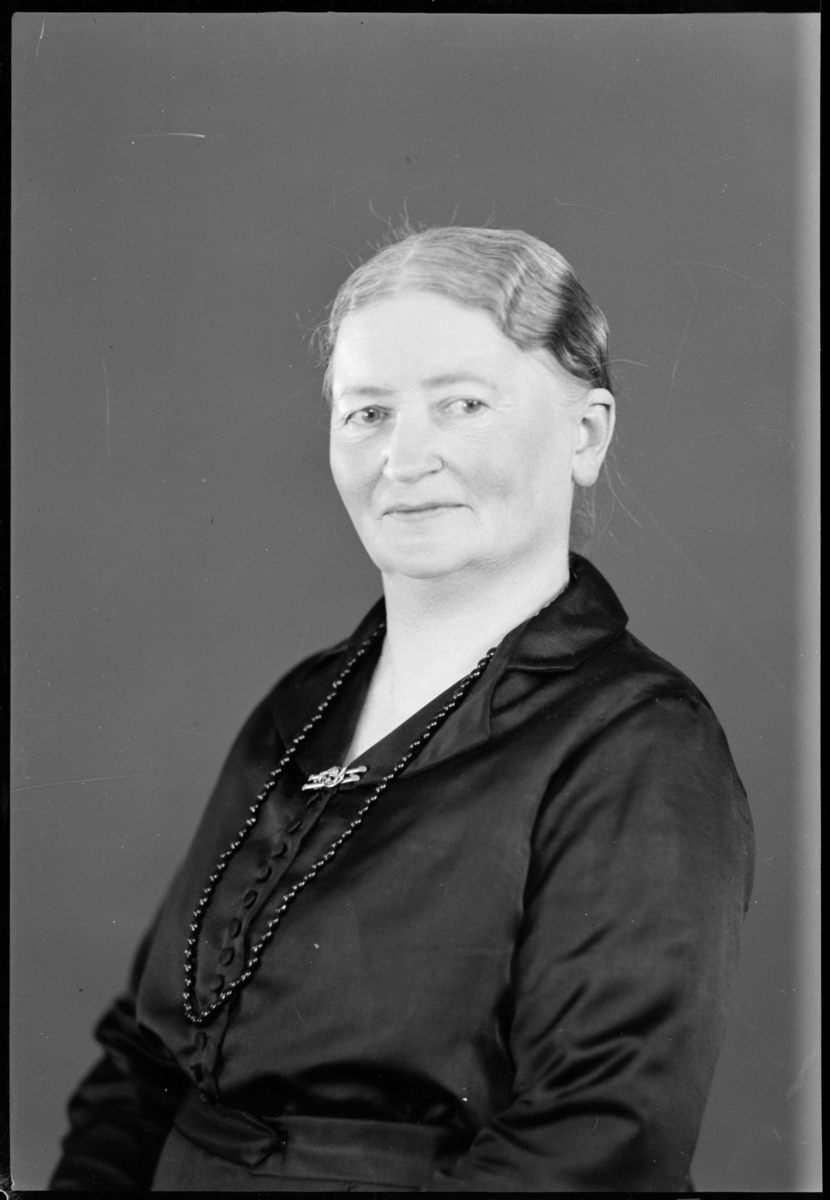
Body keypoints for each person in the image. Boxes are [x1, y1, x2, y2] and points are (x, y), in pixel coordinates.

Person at [50, 226, 754, 1192]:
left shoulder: (642, 740)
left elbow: (596, 1141)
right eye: (368, 413)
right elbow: (145, 1054)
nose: (404, 457)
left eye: (462, 404)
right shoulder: (299, 706)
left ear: (586, 435)